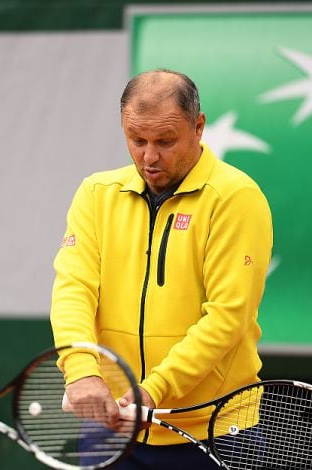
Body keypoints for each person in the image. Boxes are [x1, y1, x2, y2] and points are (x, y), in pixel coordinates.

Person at [50, 69, 273, 469]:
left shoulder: (237, 198)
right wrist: (81, 371)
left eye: (165, 141)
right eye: (137, 140)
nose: (149, 157)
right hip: (113, 428)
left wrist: (153, 390)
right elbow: (73, 290)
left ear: (198, 126)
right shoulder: (96, 194)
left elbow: (228, 316)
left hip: (213, 431)